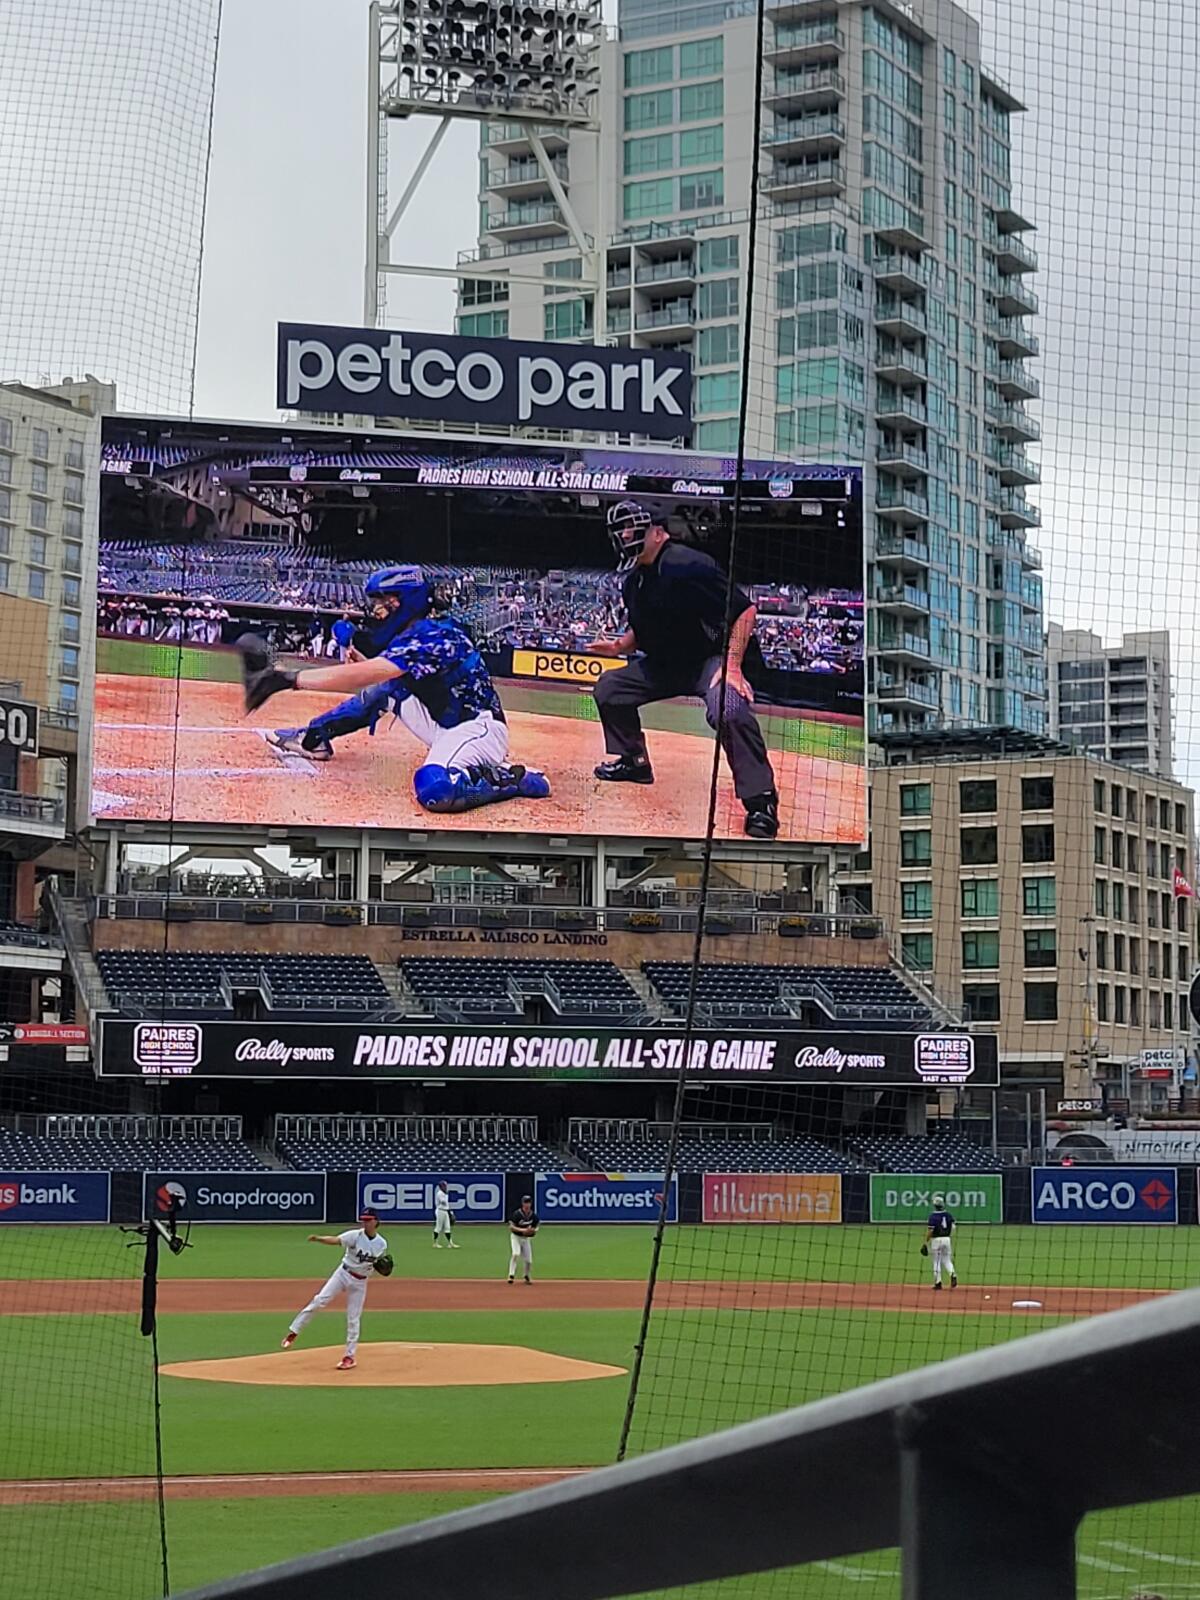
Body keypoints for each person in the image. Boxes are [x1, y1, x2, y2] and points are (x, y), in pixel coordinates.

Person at [240, 564, 550, 815]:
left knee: (435, 790)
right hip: (443, 723)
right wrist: (360, 662)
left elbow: (368, 672)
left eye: (382, 602)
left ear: (402, 600)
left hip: (478, 729)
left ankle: (510, 778)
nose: (376, 610)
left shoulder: (434, 633)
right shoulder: (414, 633)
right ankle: (314, 738)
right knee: (386, 689)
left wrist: (289, 679)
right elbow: (378, 675)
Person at [586, 501, 780, 839]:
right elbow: (645, 630)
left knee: (727, 708)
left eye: (635, 528)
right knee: (610, 688)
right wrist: (619, 647)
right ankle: (634, 762)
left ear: (659, 533)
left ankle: (761, 801)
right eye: (621, 530)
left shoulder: (687, 563)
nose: (625, 535)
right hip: (666, 664)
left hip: (709, 660)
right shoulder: (633, 581)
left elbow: (744, 610)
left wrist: (733, 664)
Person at [281, 1209, 390, 1369]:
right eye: (363, 1219)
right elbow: (336, 1240)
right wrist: (319, 1239)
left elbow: (378, 1266)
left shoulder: (382, 1244)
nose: (365, 1222)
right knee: (319, 1301)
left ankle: (349, 1357)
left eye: (368, 1220)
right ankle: (293, 1332)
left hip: (360, 1282)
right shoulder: (355, 1235)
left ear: (376, 1221)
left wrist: (381, 1270)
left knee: (354, 1318)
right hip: (343, 1274)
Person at [923, 1193, 957, 1291]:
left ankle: (938, 1283)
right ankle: (953, 1274)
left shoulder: (933, 1216)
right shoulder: (948, 1215)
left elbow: (931, 1231)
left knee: (936, 1262)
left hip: (936, 1240)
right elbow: (953, 1227)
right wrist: (948, 1235)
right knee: (947, 1260)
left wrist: (926, 1242)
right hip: (947, 1239)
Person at [508, 1194, 538, 1284]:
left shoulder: (533, 1216)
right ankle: (511, 1275)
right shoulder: (517, 1214)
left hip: (525, 1239)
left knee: (528, 1260)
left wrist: (531, 1231)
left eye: (528, 1202)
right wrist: (523, 1230)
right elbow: (511, 1227)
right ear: (522, 1204)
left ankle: (526, 1275)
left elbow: (536, 1228)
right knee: (515, 1254)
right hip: (516, 1237)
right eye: (525, 1202)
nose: (527, 1204)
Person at [433, 1180, 459, 1249]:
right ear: (441, 1186)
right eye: (444, 1186)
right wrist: (445, 1196)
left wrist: (450, 1211)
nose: (445, 1187)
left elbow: (446, 1204)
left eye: (446, 1185)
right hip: (440, 1211)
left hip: (445, 1211)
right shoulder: (440, 1193)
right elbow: (443, 1202)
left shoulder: (445, 1193)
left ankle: (450, 1243)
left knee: (447, 1228)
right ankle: (435, 1243)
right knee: (438, 1227)